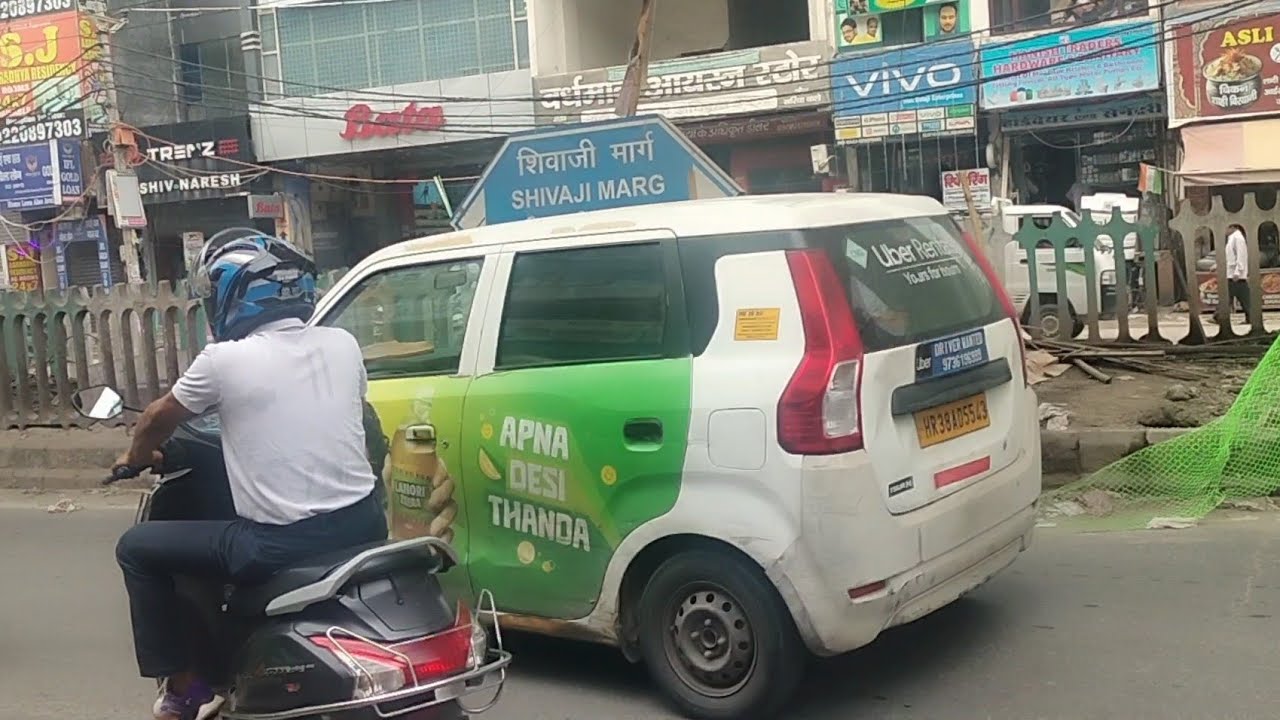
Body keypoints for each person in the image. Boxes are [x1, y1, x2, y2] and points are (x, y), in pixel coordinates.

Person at [112, 229, 387, 720]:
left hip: (280, 543)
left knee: (136, 548)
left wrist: (135, 458)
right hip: (365, 524)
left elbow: (157, 418)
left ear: (234, 296)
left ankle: (185, 688)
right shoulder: (343, 344)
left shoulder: (224, 360)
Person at [1226, 223, 1253, 323]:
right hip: (1232, 274)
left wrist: (1238, 271)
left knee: (1236, 297)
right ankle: (1251, 318)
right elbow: (1230, 256)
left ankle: (1218, 316)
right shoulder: (1232, 238)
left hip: (1236, 275)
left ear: (1233, 227)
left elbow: (1241, 255)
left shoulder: (1238, 238)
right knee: (1242, 298)